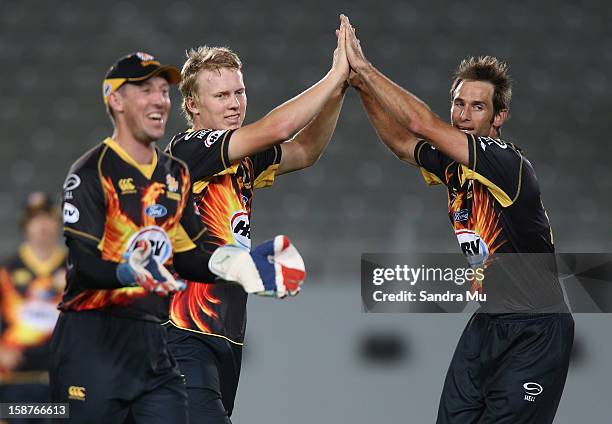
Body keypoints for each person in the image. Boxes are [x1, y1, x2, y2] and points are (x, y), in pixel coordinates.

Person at [341, 14, 574, 424]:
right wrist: (360, 88)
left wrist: (364, 68)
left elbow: (419, 124)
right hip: (487, 323)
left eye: (478, 106)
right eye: (459, 103)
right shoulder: (453, 165)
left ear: (498, 117)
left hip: (536, 329)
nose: (465, 114)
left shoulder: (503, 163)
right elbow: (402, 143)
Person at [50, 52, 305, 424]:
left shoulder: (170, 175)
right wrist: (128, 272)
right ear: (116, 102)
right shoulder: (95, 171)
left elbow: (189, 255)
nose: (157, 100)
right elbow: (84, 265)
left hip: (209, 335)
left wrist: (238, 266)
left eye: (160, 91)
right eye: (145, 91)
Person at [163, 20, 350, 423]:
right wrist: (333, 74)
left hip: (227, 334)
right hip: (181, 330)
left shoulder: (241, 158)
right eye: (221, 96)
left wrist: (339, 90)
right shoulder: (188, 150)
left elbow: (304, 150)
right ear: (193, 105)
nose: (234, 103)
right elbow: (279, 128)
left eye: (239, 92)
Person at [0, 193, 65, 423]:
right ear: (25, 225)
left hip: (61, 382)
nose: (42, 226)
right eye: (34, 219)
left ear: (58, 221)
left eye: (47, 217)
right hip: (15, 383)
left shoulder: (77, 269)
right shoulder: (6, 270)